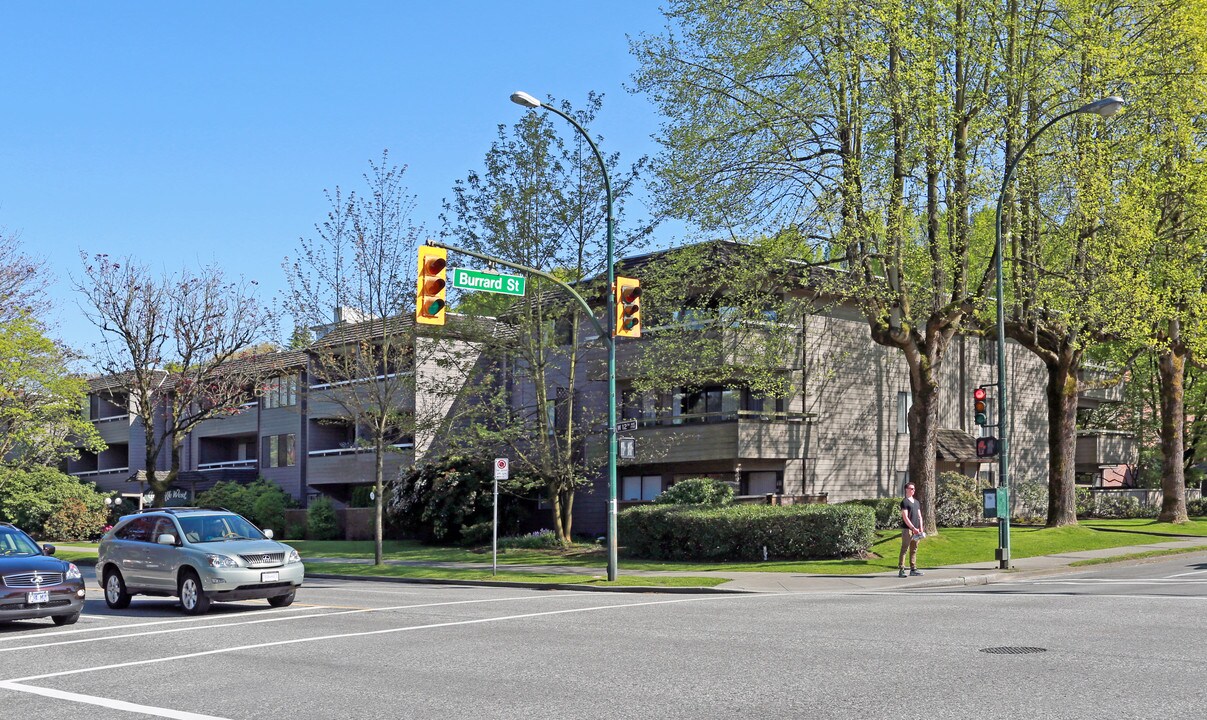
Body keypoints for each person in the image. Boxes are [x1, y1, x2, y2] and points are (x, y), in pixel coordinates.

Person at [898, 482, 924, 577]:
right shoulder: (904, 502)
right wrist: (912, 528)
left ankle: (913, 569)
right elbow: (905, 517)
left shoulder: (916, 502)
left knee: (914, 550)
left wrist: (920, 528)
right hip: (907, 530)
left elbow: (919, 516)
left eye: (914, 489)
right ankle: (901, 569)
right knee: (904, 549)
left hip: (917, 531)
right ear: (907, 489)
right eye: (911, 488)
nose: (913, 490)